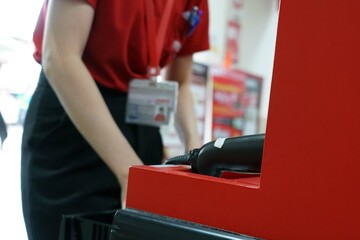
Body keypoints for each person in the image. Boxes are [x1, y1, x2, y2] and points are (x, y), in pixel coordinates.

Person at [21, 0, 209, 239]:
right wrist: (128, 171)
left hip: (141, 121)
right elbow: (59, 56)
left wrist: (197, 152)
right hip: (73, 117)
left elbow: (180, 82)